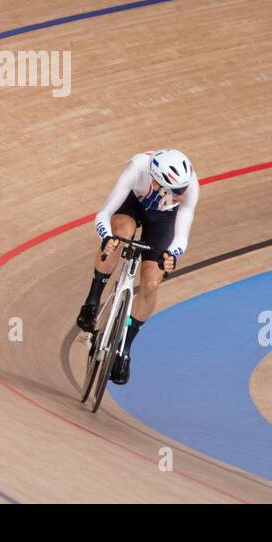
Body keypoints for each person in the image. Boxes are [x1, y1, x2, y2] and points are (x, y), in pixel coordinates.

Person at [76, 149, 198, 384]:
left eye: (183, 190)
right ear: (155, 180)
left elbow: (182, 234)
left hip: (163, 219)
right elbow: (105, 213)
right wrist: (106, 236)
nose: (181, 195)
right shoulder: (137, 168)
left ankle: (125, 349)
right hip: (133, 205)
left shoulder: (190, 185)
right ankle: (92, 301)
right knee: (120, 235)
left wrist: (173, 254)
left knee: (151, 283)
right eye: (176, 191)